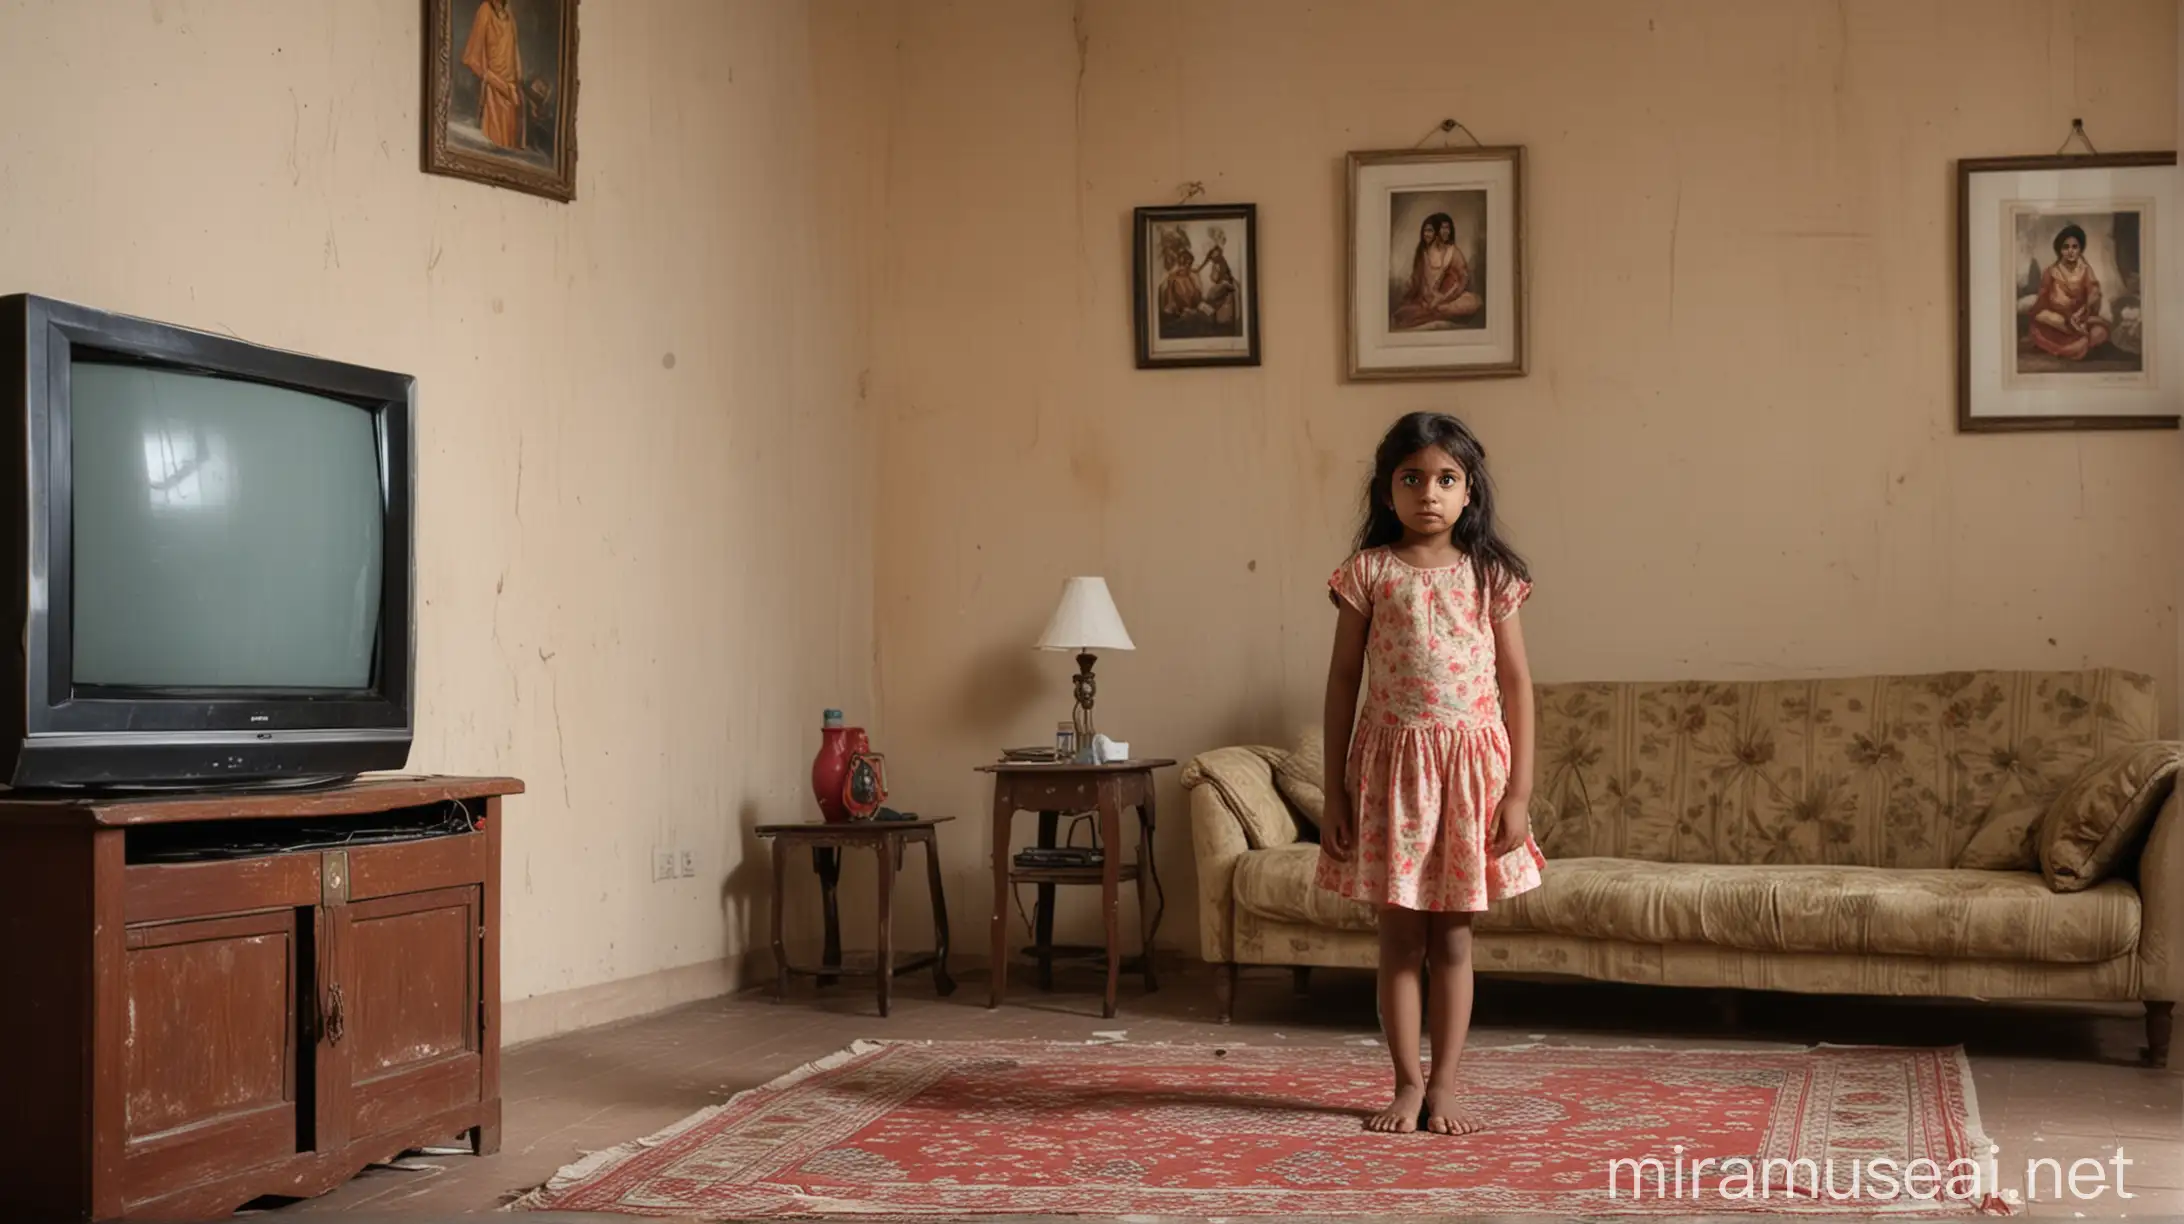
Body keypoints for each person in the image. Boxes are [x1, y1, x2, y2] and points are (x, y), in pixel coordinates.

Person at [1315, 410, 1546, 1137]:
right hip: (1390, 775)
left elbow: (1516, 684)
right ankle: (1406, 1084)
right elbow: (1342, 683)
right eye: (1412, 478)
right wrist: (1335, 790)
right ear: (1388, 491)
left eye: (1446, 479)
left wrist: (1519, 794)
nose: (1429, 494)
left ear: (1470, 491)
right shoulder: (1367, 575)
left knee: (1453, 939)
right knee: (1397, 940)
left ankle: (1446, 1081)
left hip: (1472, 776)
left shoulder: (1491, 576)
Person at [2025, 223, 2109, 361]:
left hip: (2081, 318)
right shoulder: (2051, 271)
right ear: (2060, 250)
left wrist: (2082, 311)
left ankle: (2079, 341)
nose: (2070, 251)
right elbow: (2042, 302)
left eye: (2075, 247)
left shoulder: (2086, 270)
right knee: (2044, 322)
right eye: (2066, 247)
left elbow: (2094, 292)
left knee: (2100, 332)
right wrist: (2054, 317)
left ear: (2080, 249)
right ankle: (2075, 343)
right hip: (2059, 322)